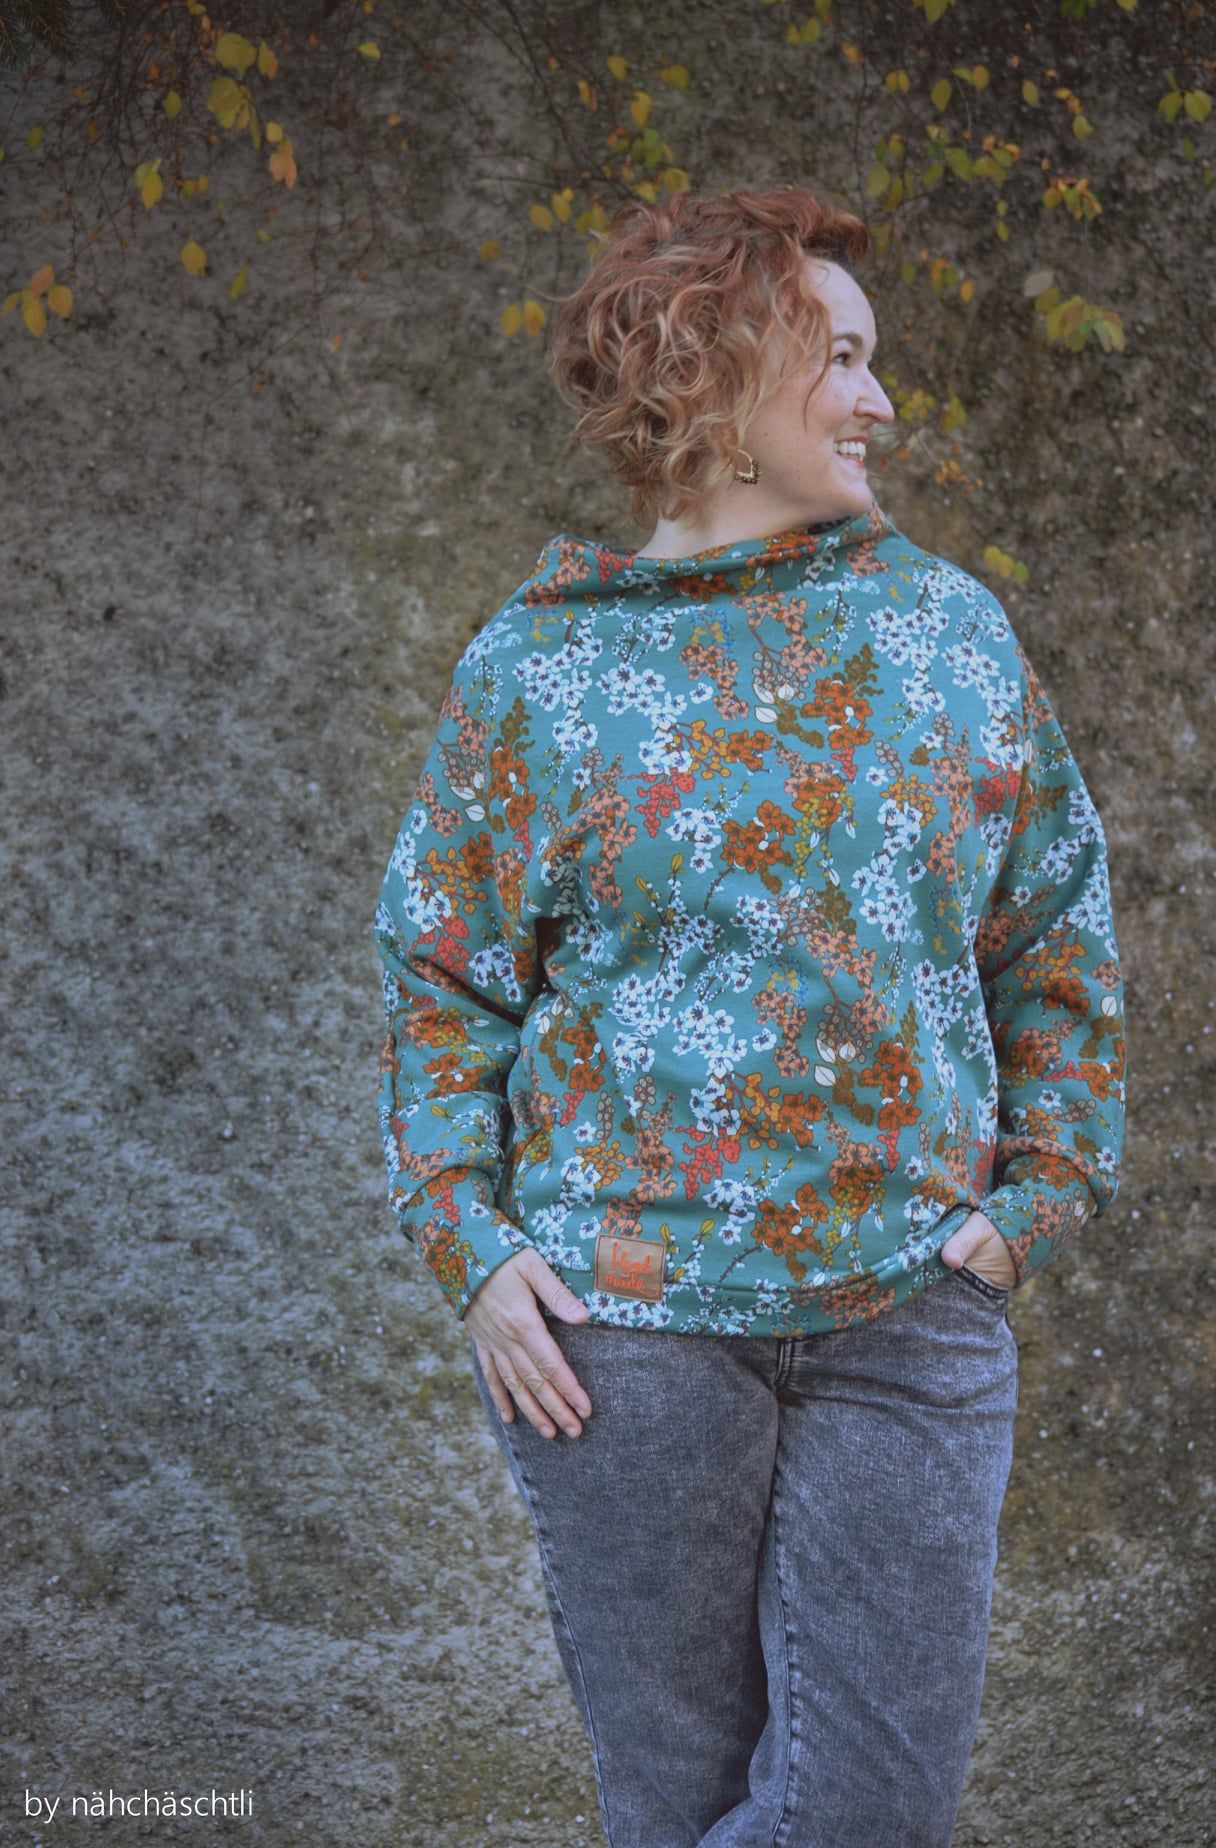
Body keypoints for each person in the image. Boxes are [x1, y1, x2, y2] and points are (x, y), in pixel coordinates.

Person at [372, 184, 1126, 1847]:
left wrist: (1033, 1204)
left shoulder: (947, 636)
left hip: (909, 1316)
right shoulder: (538, 671)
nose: (881, 400)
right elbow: (442, 979)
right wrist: (470, 1247)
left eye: (872, 359)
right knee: (679, 1807)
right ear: (705, 372)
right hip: (625, 1338)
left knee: (870, 1812)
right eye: (838, 357)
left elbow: (1054, 934)